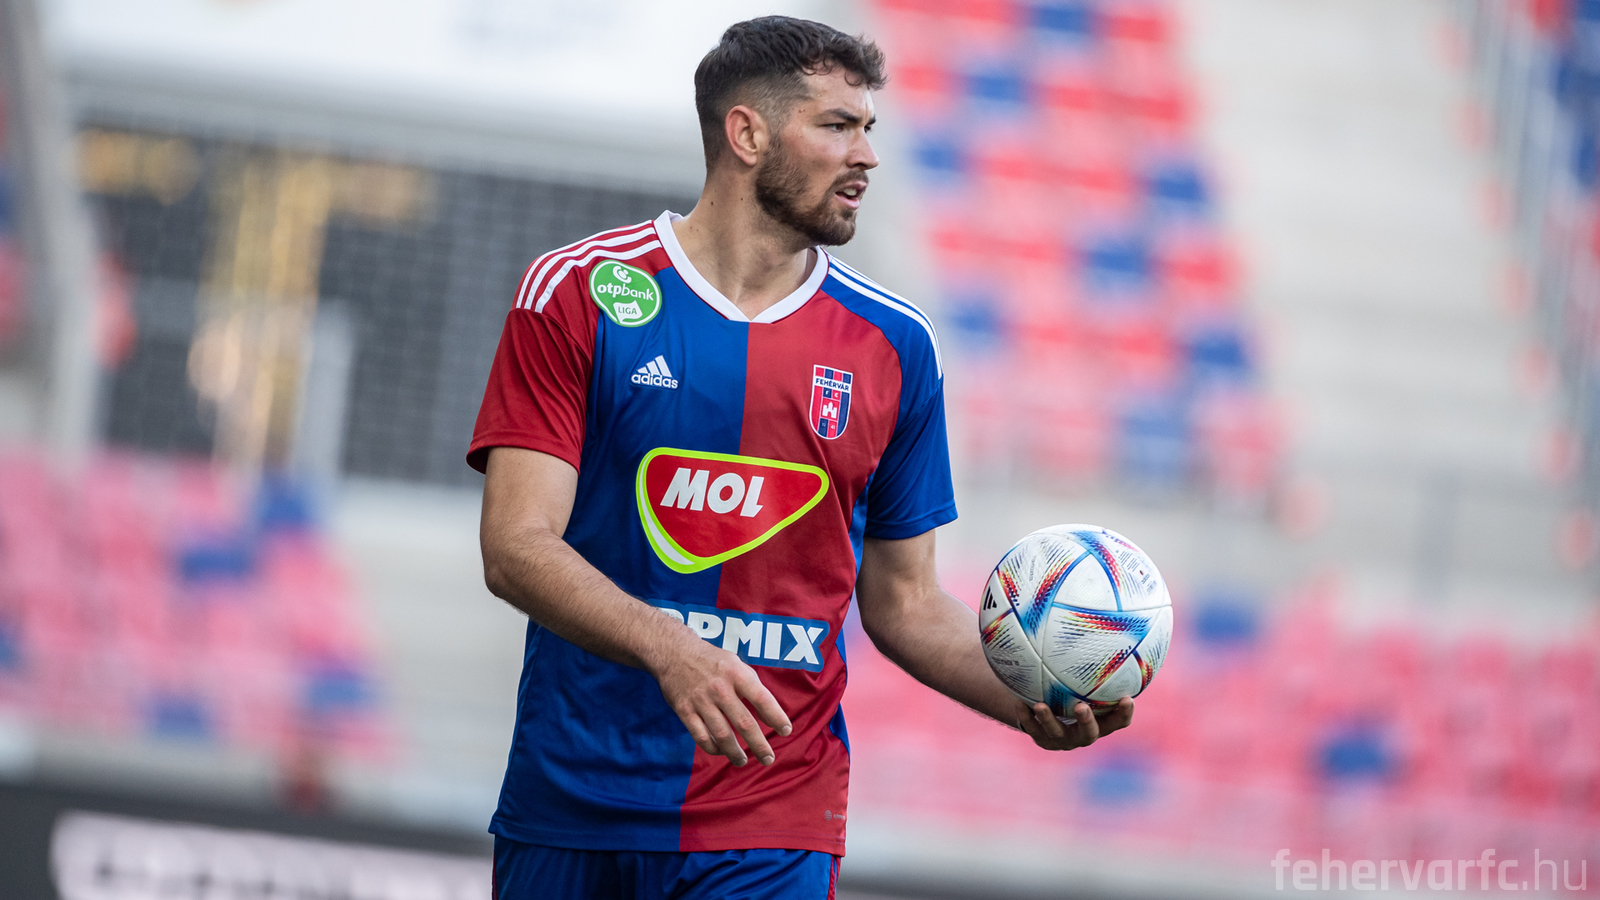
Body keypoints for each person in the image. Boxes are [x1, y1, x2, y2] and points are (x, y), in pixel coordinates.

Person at [468, 15, 1135, 900]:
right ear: (746, 134)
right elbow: (516, 546)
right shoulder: (579, 292)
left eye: (869, 128)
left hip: (772, 822)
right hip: (572, 803)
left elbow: (904, 602)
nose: (867, 155)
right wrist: (670, 649)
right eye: (837, 125)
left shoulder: (895, 345)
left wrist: (1029, 701)